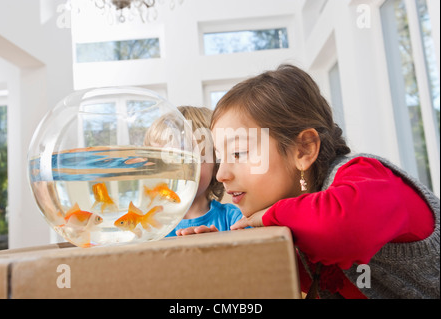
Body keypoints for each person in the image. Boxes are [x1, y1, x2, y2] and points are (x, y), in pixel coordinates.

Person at [206, 64, 439, 299]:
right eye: (219, 158)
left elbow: (340, 227)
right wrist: (216, 252)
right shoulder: (304, 229)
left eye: (237, 153)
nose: (221, 174)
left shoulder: (368, 178)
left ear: (303, 149)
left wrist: (267, 217)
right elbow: (281, 271)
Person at [144, 106, 243, 237]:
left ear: (216, 166)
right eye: (165, 160)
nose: (177, 169)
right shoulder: (150, 224)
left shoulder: (234, 219)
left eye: (191, 160)